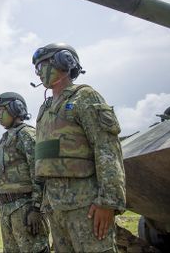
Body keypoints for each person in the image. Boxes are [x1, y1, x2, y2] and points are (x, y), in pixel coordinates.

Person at [32, 43, 126, 252]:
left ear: (64, 62)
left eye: (43, 66)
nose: (38, 73)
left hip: (86, 206)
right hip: (55, 207)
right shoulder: (45, 110)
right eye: (36, 69)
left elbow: (107, 150)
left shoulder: (84, 97)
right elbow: (43, 161)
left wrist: (108, 202)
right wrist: (39, 204)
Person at [0, 92, 49, 253]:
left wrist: (36, 209)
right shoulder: (5, 138)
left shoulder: (27, 135)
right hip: (7, 209)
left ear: (16, 108)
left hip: (25, 208)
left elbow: (40, 173)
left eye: (1, 111)